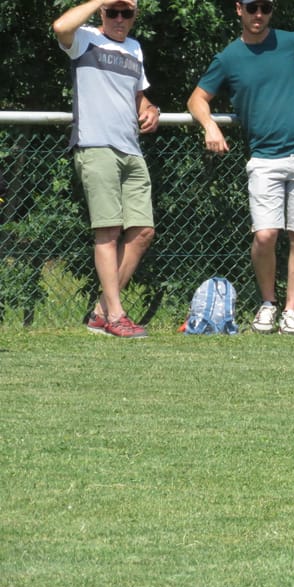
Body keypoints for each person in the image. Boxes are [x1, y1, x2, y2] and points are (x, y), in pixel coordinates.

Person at [187, 0, 294, 336]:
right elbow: (197, 98)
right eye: (251, 7)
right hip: (264, 158)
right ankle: (268, 304)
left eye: (265, 7)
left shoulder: (291, 41)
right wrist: (210, 126)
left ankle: (291, 313)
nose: (258, 14)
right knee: (264, 235)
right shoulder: (229, 57)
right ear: (239, 10)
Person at [53, 0, 159, 338]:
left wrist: (151, 108)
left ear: (134, 17)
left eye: (125, 12)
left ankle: (101, 312)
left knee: (143, 231)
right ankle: (115, 315)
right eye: (112, 11)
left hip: (131, 148)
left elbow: (139, 96)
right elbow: (59, 28)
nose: (118, 18)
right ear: (101, 13)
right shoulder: (84, 39)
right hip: (96, 145)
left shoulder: (135, 48)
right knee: (108, 231)